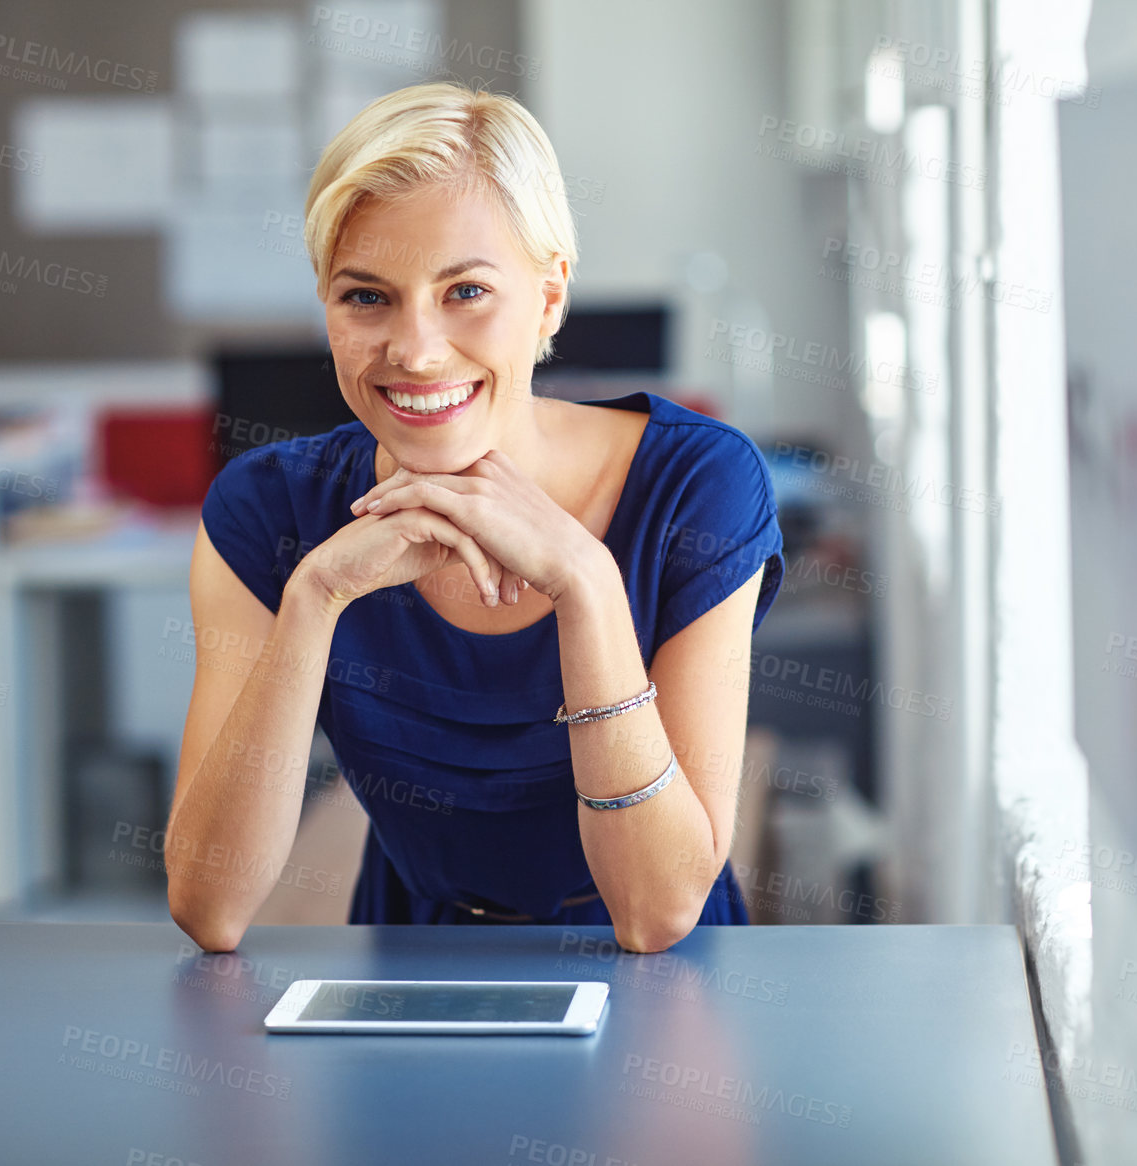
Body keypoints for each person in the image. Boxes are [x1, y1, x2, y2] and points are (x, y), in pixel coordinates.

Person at [165, 82, 784, 954]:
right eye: (366, 297)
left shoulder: (698, 485)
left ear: (550, 295)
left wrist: (585, 582)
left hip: (664, 990)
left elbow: (655, 913)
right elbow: (208, 904)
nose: (415, 350)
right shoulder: (267, 509)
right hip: (412, 973)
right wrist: (316, 597)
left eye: (465, 292)